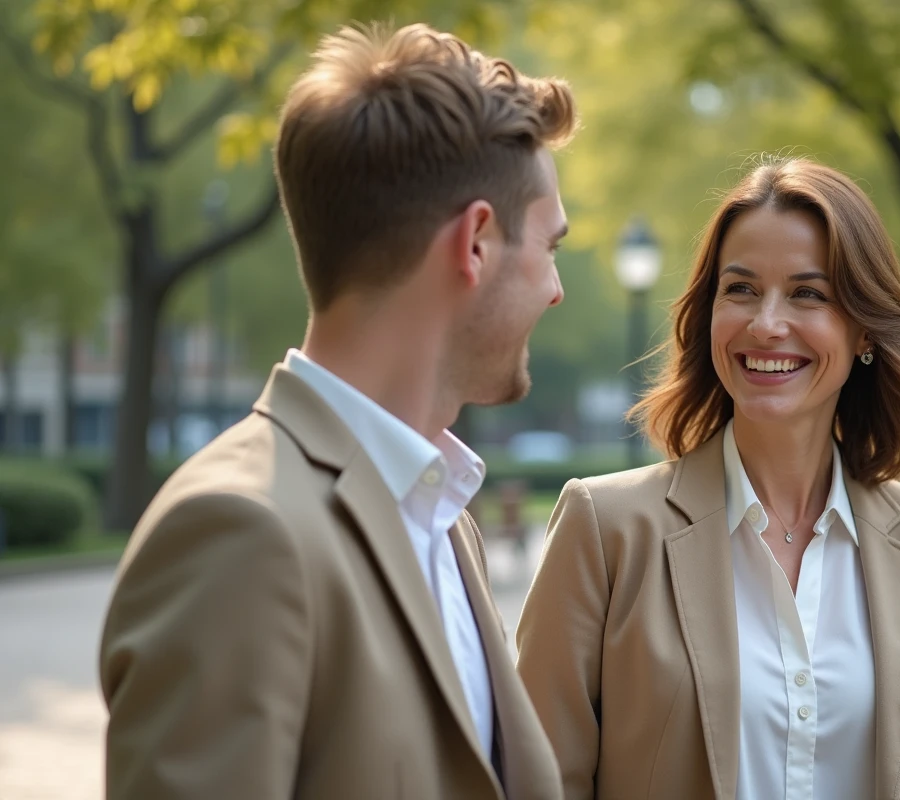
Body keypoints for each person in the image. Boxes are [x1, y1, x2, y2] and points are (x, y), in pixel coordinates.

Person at [99, 21, 576, 800]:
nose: (556, 289)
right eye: (551, 247)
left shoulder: (445, 518)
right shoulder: (240, 532)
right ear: (477, 243)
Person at [516, 157, 900, 800]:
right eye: (741, 289)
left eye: (808, 293)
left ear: (865, 327)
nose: (765, 323)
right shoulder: (607, 529)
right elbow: (537, 780)